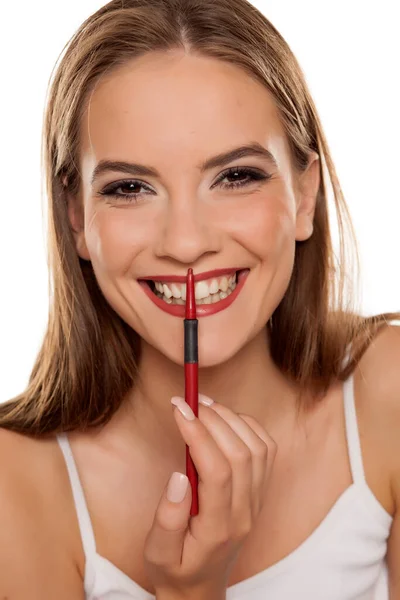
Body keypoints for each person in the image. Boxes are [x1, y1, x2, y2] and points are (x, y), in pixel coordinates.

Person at [0, 0, 399, 598]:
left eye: (236, 176)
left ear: (305, 196)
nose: (186, 243)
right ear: (77, 220)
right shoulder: (14, 485)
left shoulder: (387, 393)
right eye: (130, 187)